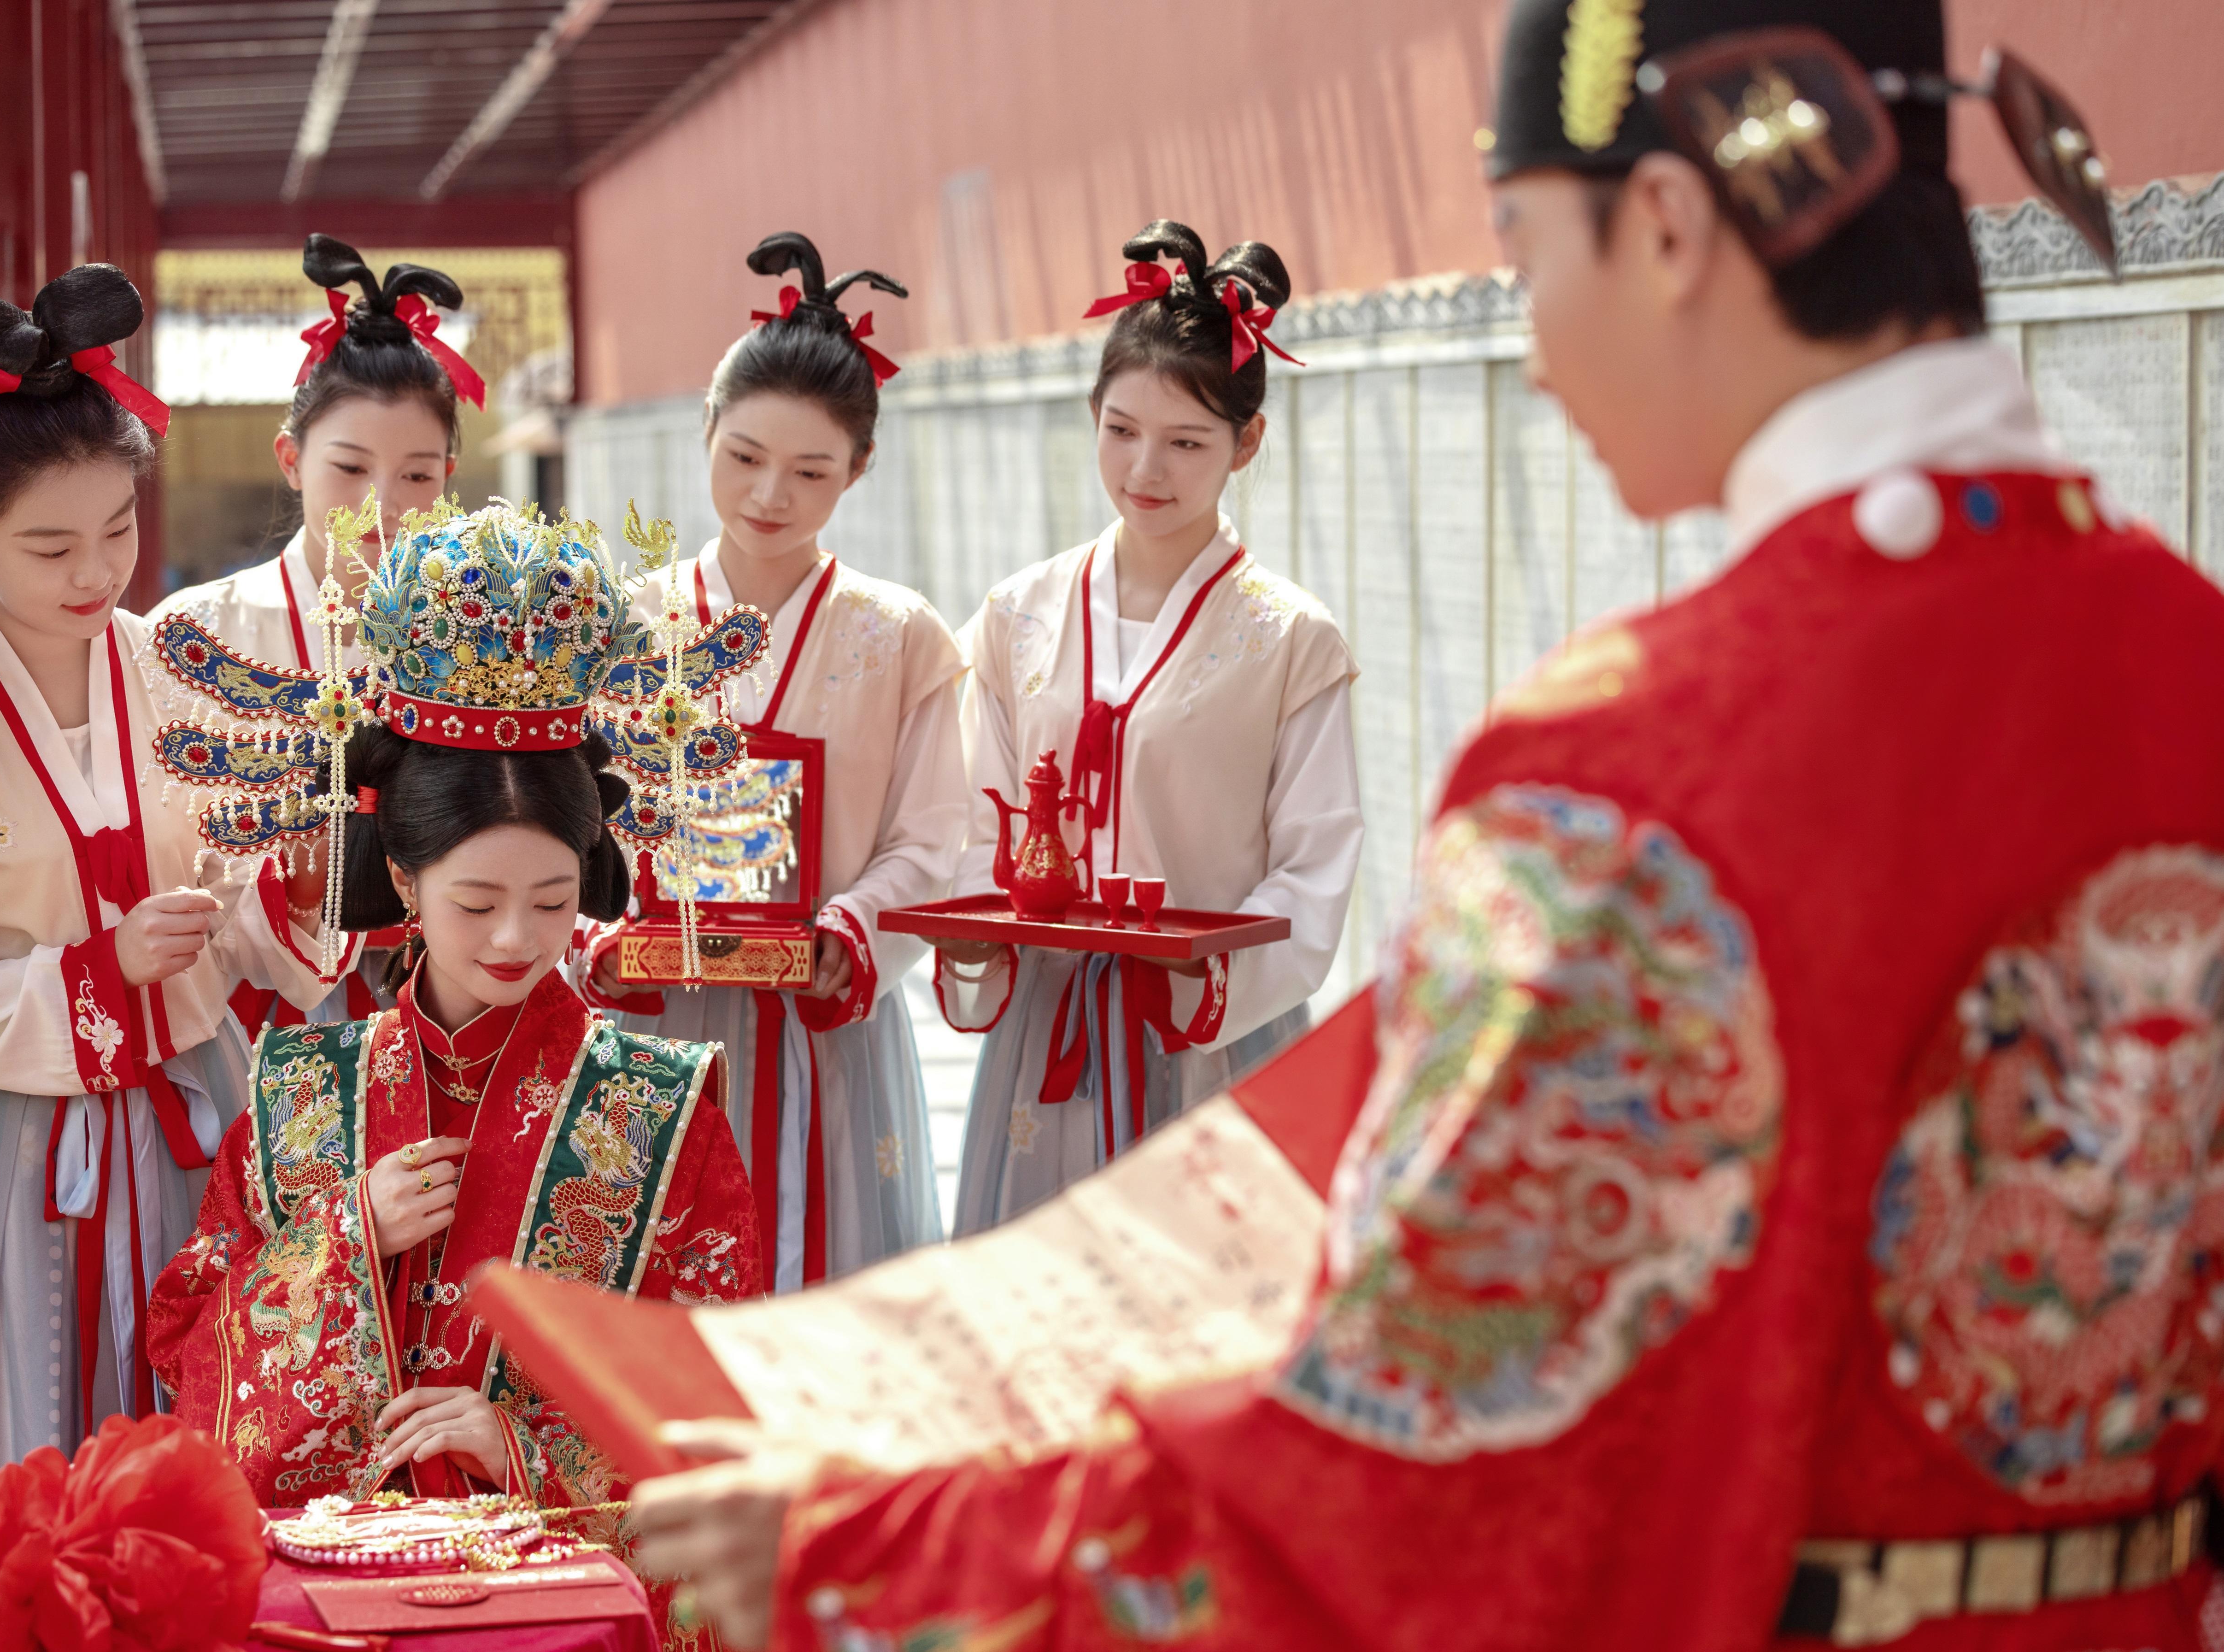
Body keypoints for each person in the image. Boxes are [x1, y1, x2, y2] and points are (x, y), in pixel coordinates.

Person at [624, 2, 2224, 1647]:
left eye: (1528, 259)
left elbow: (1401, 1433)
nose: (1533, 349)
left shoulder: (1631, 766)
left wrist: (889, 1539)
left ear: (1665, 226)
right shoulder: (2193, 656)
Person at [146, 502, 763, 1524]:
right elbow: (184, 1334)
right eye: (476, 904)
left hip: (557, 1583)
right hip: (333, 1573)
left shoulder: (659, 1106)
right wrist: (349, 1234)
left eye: (554, 902)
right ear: (403, 877)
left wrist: (518, 1445)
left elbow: (720, 1374)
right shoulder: (305, 1086)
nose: (517, 939)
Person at [0, 266, 340, 1492]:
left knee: (215, 1447)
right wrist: (98, 967)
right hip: (6, 1145)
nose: (95, 571)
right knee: (21, 1452)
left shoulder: (179, 668)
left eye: (119, 529)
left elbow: (255, 914)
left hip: (196, 1113)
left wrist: (305, 884)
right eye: (49, 543)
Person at [939, 220, 1362, 1236]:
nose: (1146, 469)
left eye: (1185, 442)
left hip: (1209, 1038)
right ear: (1090, 415)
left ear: (1244, 443)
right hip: (1046, 1030)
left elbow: (1313, 868)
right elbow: (968, 818)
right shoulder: (1017, 613)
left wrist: (1205, 981)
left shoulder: (1290, 637)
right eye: (1120, 430)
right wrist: (978, 930)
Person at [581, 232, 966, 1289]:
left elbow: (933, 838)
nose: (768, 495)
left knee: (819, 1281)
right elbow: (569, 819)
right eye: (743, 456)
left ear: (859, 468)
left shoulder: (902, 636)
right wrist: (597, 931)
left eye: (810, 470)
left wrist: (855, 925)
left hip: (819, 1026)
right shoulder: (622, 624)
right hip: (653, 1015)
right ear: (704, 431)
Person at [150, 234, 480, 1028]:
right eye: (349, 468)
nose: (383, 503)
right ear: (291, 460)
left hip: (449, 1008)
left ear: (449, 478)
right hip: (251, 1016)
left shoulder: (486, 630)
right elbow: (164, 855)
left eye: (416, 475)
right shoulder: (196, 634)